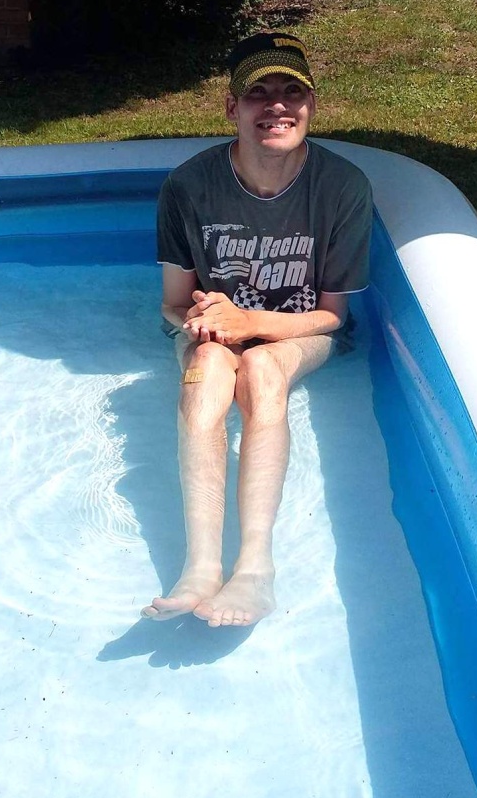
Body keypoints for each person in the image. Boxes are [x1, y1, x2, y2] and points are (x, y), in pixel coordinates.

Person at [141, 31, 372, 628]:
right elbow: (172, 303)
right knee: (205, 373)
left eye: (292, 92)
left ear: (311, 105)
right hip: (217, 332)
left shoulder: (343, 186)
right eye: (257, 93)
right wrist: (201, 324)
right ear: (232, 107)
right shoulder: (189, 187)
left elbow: (334, 315)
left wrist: (251, 324)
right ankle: (199, 567)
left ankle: (254, 567)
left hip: (301, 331)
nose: (277, 106)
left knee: (265, 368)